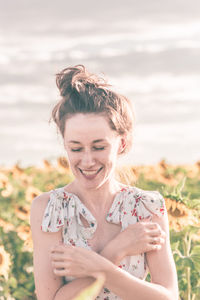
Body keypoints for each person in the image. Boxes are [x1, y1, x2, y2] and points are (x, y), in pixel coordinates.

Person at [30, 65, 179, 300]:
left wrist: (96, 267)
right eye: (75, 148)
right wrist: (117, 249)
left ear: (121, 143)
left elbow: (168, 297)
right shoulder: (48, 209)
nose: (87, 161)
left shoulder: (147, 207)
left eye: (99, 147)